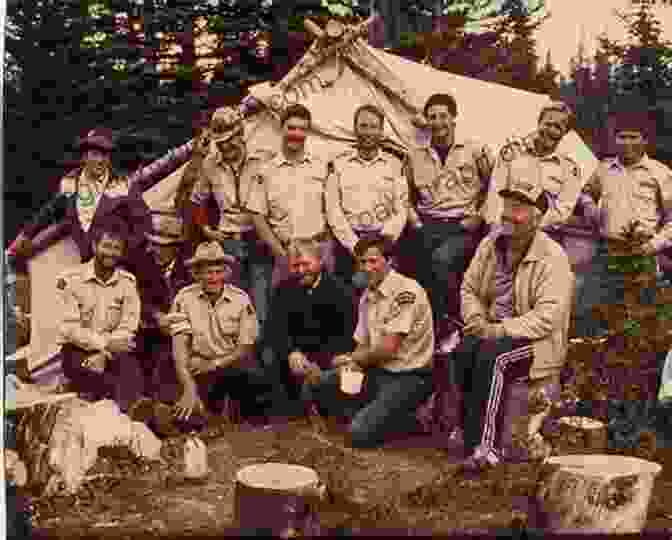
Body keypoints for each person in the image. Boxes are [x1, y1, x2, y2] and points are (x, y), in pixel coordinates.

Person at [450, 155, 574, 471]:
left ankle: (487, 449)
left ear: (536, 217)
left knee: (495, 356)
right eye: (506, 207)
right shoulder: (491, 243)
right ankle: (468, 433)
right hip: (494, 329)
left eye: (518, 210)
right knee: (464, 350)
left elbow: (549, 316)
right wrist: (476, 319)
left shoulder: (552, 256)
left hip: (539, 341)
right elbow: (469, 289)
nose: (509, 216)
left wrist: (500, 330)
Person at [302, 233, 434, 448]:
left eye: (373, 261)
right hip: (377, 370)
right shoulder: (367, 296)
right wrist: (351, 365)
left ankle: (407, 420)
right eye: (362, 262)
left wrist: (349, 359)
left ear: (390, 261)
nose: (366, 267)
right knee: (316, 384)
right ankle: (375, 412)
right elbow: (363, 344)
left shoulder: (406, 292)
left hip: (409, 377)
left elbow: (389, 348)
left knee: (358, 434)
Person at [481, 102, 592, 332]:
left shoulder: (569, 168)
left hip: (543, 236)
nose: (551, 130)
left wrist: (529, 230)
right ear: (538, 123)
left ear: (565, 133)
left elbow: (563, 210)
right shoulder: (512, 152)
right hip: (504, 231)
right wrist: (496, 229)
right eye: (547, 123)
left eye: (558, 127)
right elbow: (494, 192)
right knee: (491, 291)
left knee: (538, 295)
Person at [176, 107, 277, 337]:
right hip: (229, 241)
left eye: (230, 140)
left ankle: (261, 360)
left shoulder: (263, 157)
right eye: (220, 143)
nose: (226, 147)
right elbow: (195, 200)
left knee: (261, 305)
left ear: (240, 134)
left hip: (259, 238)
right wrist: (207, 230)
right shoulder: (210, 164)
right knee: (234, 305)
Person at [404, 93, 495, 345]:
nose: (438, 122)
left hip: (462, 226)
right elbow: (406, 194)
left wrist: (480, 215)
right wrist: (416, 223)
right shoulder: (415, 155)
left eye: (443, 116)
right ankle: (425, 328)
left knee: (442, 261)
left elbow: (494, 185)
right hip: (427, 223)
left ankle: (458, 321)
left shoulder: (475, 150)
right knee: (410, 264)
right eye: (432, 117)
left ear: (454, 118)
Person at [573, 109, 672, 335]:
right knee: (592, 314)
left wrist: (653, 246)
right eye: (621, 136)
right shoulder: (604, 169)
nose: (626, 142)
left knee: (639, 321)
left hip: (642, 253)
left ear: (645, 140)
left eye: (633, 136)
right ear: (614, 139)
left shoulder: (660, 173)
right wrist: (588, 204)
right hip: (606, 251)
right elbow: (585, 193)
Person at [163, 241, 277, 431]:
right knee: (183, 408)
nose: (213, 278)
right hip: (197, 366)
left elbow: (245, 347)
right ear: (197, 274)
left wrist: (215, 363)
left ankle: (249, 425)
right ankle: (201, 417)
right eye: (208, 272)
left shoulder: (241, 299)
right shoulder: (184, 298)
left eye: (218, 271)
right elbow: (179, 349)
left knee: (256, 379)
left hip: (231, 363)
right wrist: (189, 386)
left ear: (226, 273)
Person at [12, 128, 152, 276]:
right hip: (87, 268)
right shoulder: (70, 182)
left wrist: (119, 253)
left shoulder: (124, 185)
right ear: (84, 157)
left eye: (104, 155)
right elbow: (50, 211)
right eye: (95, 154)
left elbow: (144, 225)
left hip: (122, 267)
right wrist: (25, 235)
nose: (100, 160)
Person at [53, 215, 147, 417]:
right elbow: (69, 329)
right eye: (106, 246)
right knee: (103, 378)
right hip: (77, 351)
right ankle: (131, 413)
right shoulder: (71, 280)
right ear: (95, 246)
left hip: (114, 351)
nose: (111, 253)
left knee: (131, 366)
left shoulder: (127, 283)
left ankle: (130, 414)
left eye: (117, 248)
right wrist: (103, 345)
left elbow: (128, 327)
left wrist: (105, 353)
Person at [247, 104, 335, 288]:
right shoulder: (266, 170)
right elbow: (257, 215)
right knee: (287, 309)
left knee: (325, 309)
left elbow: (334, 209)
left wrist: (326, 246)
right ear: (281, 128)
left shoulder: (321, 166)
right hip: (287, 252)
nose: (296, 133)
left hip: (319, 250)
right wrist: (279, 252)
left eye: (302, 129)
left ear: (308, 132)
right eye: (291, 127)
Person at [260, 238, 356, 404]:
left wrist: (320, 360)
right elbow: (274, 327)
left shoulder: (341, 290)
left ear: (320, 261)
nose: (301, 270)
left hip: (331, 354)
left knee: (347, 366)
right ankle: (287, 405)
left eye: (306, 264)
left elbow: (346, 334)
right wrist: (291, 352)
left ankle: (340, 405)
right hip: (296, 355)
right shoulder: (283, 289)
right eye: (295, 266)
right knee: (268, 354)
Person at [325, 104, 410, 287]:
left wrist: (382, 246)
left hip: (384, 241)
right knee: (349, 300)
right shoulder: (338, 164)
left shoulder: (395, 165)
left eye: (373, 126)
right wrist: (354, 245)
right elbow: (333, 210)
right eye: (363, 126)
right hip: (348, 244)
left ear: (381, 131)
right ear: (355, 129)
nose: (368, 132)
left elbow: (401, 209)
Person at [134, 212, 192, 401]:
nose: (153, 249)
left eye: (160, 246)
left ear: (176, 247)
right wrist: (156, 315)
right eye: (152, 243)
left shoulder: (190, 267)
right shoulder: (143, 265)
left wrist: (178, 322)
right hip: (155, 331)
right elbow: (135, 298)